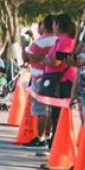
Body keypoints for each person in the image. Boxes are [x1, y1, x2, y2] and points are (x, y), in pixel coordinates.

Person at [23, 16, 58, 147]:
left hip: (40, 78)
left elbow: (27, 56)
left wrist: (27, 50)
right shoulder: (57, 40)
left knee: (41, 110)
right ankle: (48, 136)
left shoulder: (42, 40)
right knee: (49, 110)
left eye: (41, 25)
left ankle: (40, 137)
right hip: (52, 77)